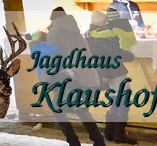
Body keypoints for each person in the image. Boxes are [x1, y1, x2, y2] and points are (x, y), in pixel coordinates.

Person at [47, 8, 107, 146]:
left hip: (72, 79)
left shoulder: (55, 32)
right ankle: (98, 140)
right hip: (89, 77)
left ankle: (74, 141)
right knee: (81, 109)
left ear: (53, 19)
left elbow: (53, 57)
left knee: (58, 109)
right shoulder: (75, 30)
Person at [87, 11, 137, 144]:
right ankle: (119, 133)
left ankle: (109, 132)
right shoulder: (102, 34)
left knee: (116, 101)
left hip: (103, 72)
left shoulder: (89, 34)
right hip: (114, 71)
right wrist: (128, 56)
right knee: (124, 101)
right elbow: (113, 52)